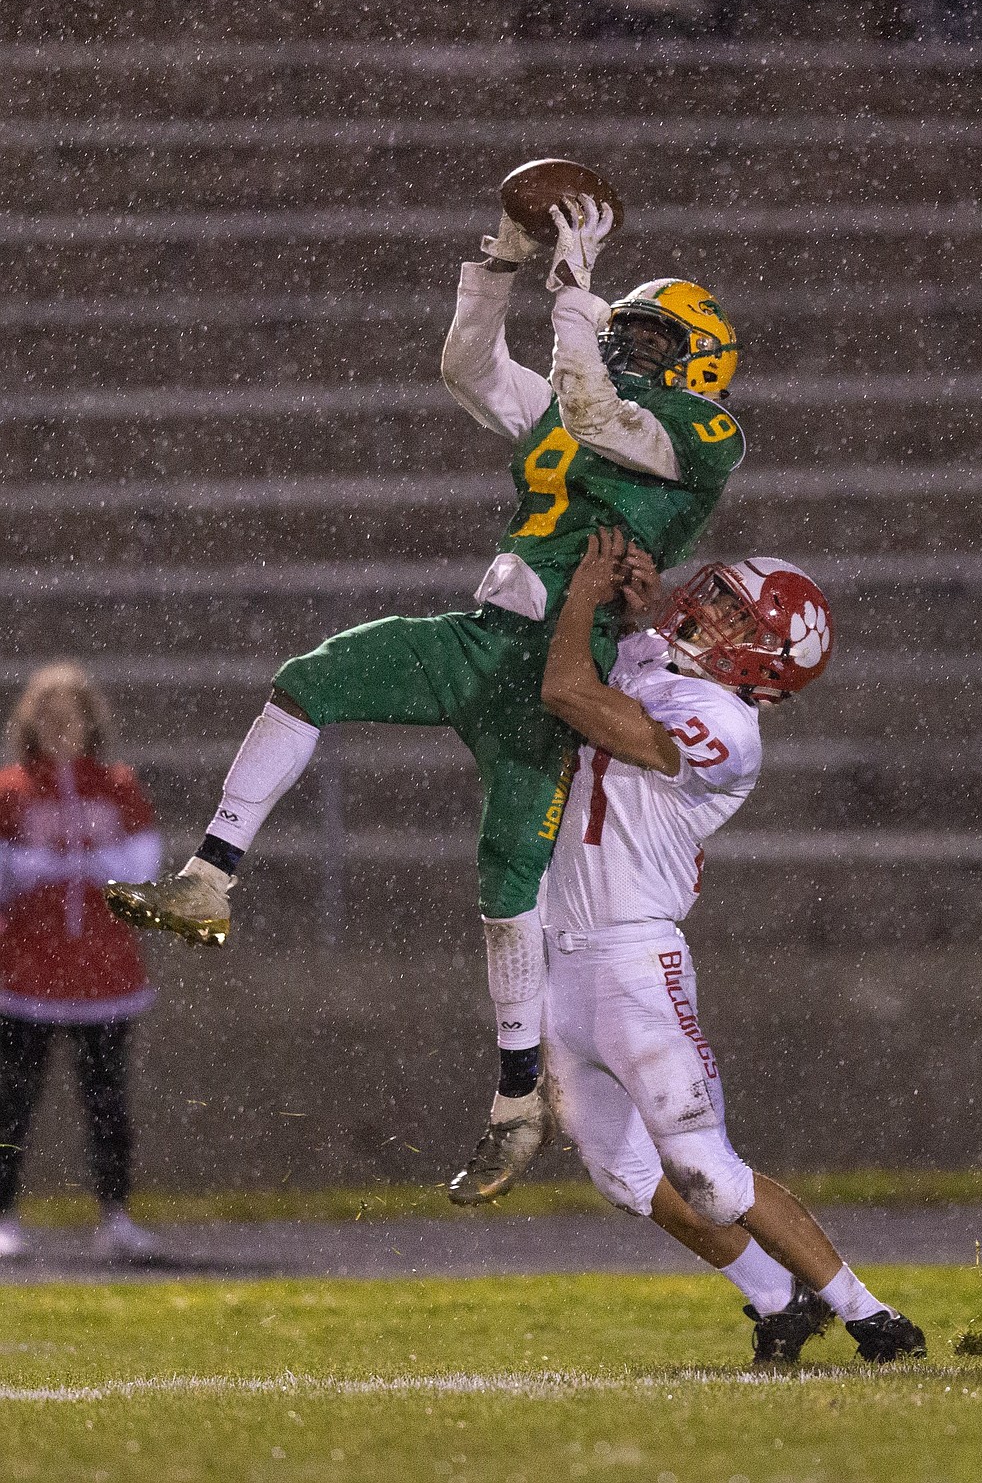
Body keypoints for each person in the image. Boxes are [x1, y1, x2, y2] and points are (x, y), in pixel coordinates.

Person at [104, 194, 746, 1205]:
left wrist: (576, 291)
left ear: (701, 360)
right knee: (314, 677)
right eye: (627, 329)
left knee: (504, 880)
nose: (632, 345)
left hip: (554, 672)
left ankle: (515, 1102)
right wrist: (499, 264)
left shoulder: (701, 433)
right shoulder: (579, 405)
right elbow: (471, 368)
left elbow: (588, 407)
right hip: (482, 636)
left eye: (654, 335)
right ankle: (210, 874)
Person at [537, 530, 928, 1364]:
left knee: (707, 1174)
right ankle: (775, 1299)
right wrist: (640, 598)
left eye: (731, 615)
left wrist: (582, 594)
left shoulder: (727, 726)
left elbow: (569, 689)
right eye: (714, 596)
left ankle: (871, 1315)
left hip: (634, 958)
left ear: (767, 668)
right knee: (622, 1176)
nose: (705, 613)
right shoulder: (665, 661)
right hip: (559, 957)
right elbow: (640, 658)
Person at [0, 664, 163, 1264]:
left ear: (91, 720)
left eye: (71, 713)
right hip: (27, 973)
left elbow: (143, 867)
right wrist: (39, 867)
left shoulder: (117, 785)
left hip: (103, 973)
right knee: (13, 1099)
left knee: (106, 1100)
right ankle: (4, 1216)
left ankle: (116, 1218)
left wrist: (80, 863)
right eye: (47, 714)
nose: (60, 725)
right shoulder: (10, 790)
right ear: (30, 723)